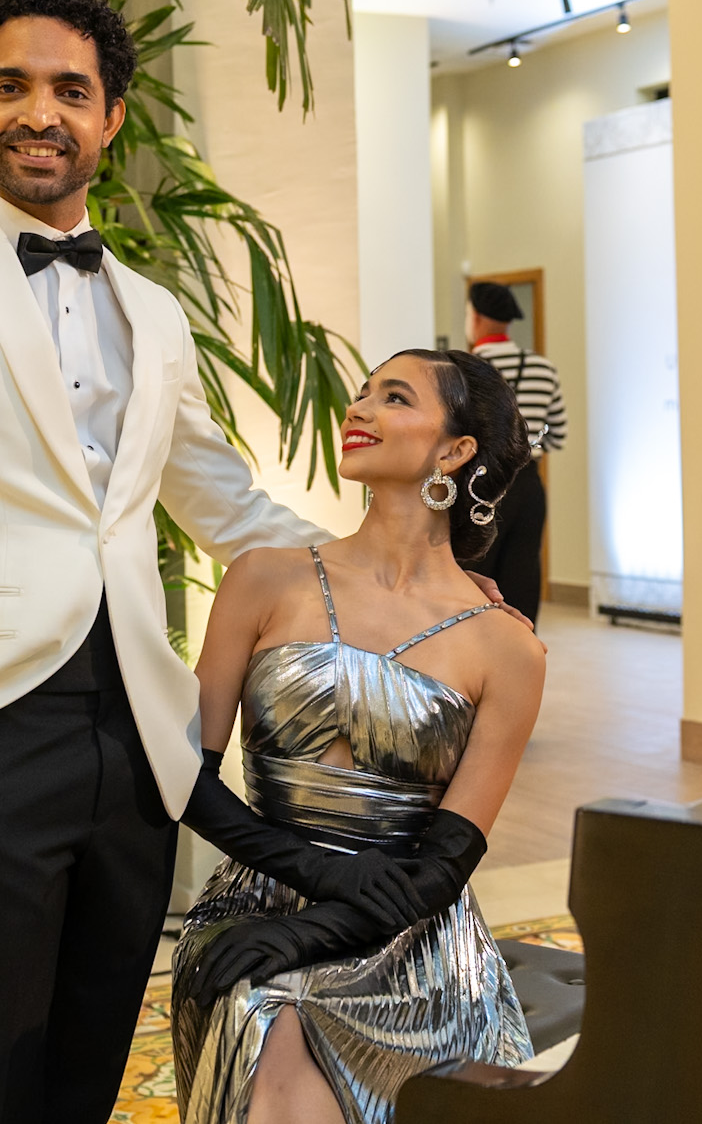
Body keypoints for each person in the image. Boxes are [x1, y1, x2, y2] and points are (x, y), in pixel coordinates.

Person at [0, 0, 512, 1123]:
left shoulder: (153, 312)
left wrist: (406, 585)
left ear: (110, 118)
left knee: (87, 1064)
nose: (40, 113)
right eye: (11, 86)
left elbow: (223, 501)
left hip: (138, 753)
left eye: (70, 91)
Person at [171, 349, 547, 1124]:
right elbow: (188, 778)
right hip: (260, 895)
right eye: (363, 392)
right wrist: (308, 884)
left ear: (455, 450)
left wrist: (325, 925)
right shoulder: (263, 578)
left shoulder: (507, 646)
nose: (359, 407)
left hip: (414, 930)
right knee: (267, 1016)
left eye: (395, 397)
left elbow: (447, 860)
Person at [461, 281, 568, 626]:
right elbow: (558, 435)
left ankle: (469, 649)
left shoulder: (463, 369)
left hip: (478, 480)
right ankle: (520, 644)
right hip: (527, 484)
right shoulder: (542, 368)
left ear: (475, 316)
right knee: (523, 572)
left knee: (473, 571)